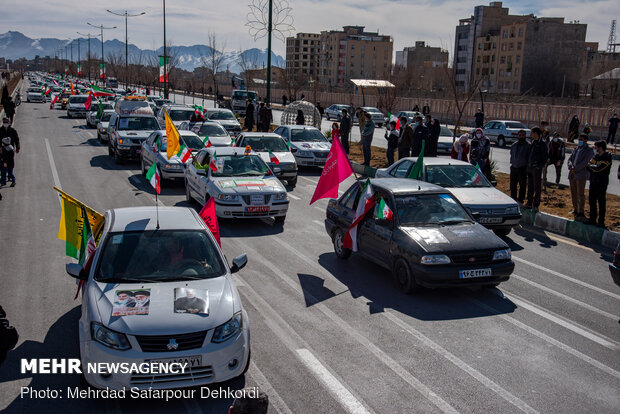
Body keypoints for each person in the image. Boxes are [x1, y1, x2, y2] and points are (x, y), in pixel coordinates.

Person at [567, 134, 594, 221]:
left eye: (581, 140)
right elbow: (570, 159)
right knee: (573, 192)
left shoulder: (588, 150)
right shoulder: (576, 149)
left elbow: (585, 162)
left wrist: (576, 168)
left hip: (581, 174)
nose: (579, 141)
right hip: (572, 173)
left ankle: (581, 211)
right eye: (579, 139)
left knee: (580, 194)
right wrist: (570, 166)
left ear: (586, 140)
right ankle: (575, 209)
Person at [586, 141, 612, 227]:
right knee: (592, 201)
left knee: (601, 202)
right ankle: (592, 218)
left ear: (600, 148)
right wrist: (594, 167)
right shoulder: (596, 156)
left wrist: (593, 167)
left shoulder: (607, 157)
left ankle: (601, 221)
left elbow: (599, 168)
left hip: (601, 183)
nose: (594, 149)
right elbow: (588, 166)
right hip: (593, 181)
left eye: (596, 147)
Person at [524, 127, 547, 211]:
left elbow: (544, 158)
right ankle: (529, 203)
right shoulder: (533, 143)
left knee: (537, 187)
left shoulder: (542, 144)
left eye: (532, 133)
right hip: (530, 167)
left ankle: (536, 205)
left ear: (536, 133)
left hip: (536, 168)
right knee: (530, 186)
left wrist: (538, 166)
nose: (530, 134)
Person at [509, 130, 530, 204]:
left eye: (523, 135)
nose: (521, 137)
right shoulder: (514, 145)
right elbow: (511, 154)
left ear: (525, 136)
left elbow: (528, 158)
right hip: (514, 167)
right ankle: (513, 199)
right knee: (513, 185)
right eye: (520, 135)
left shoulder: (528, 145)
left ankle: (520, 200)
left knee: (522, 185)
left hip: (522, 168)